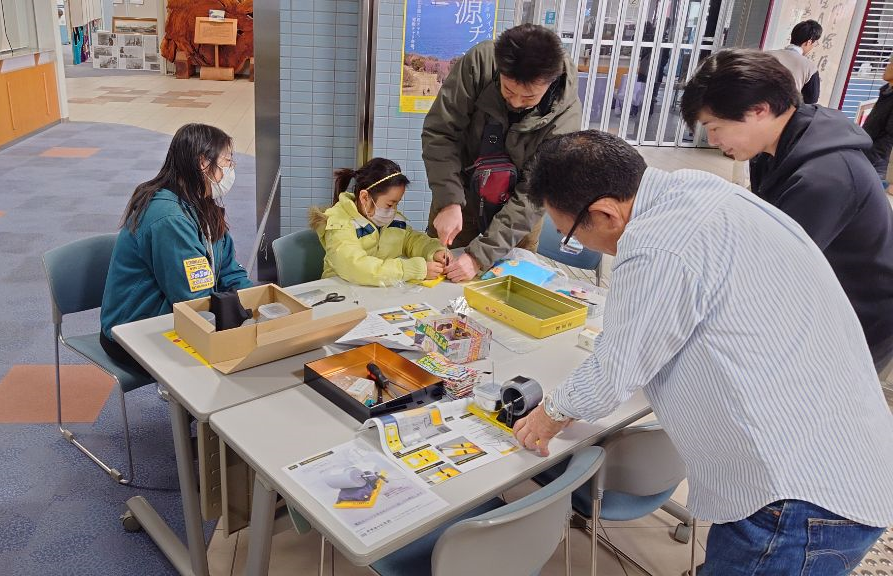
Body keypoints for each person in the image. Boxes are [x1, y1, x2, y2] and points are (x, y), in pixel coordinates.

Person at [512, 130, 893, 575]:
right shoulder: (698, 191)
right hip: (838, 459)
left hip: (796, 501)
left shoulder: (658, 244)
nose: (574, 243)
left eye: (570, 235)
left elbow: (612, 374)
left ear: (605, 213)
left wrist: (548, 415)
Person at [680, 48, 893, 375]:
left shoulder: (825, 177)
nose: (712, 139)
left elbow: (769, 273)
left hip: (855, 323)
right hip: (818, 304)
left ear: (759, 110)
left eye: (715, 126)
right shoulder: (777, 147)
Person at [422, 23, 580, 283]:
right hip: (461, 198)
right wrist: (449, 200)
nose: (516, 102)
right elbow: (441, 133)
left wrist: (479, 256)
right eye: (508, 91)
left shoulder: (565, 117)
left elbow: (534, 193)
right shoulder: (480, 63)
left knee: (504, 293)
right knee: (441, 278)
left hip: (518, 215)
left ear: (550, 82)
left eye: (529, 97)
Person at [100, 123, 253, 369]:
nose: (230, 169)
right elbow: (191, 298)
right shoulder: (169, 218)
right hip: (135, 331)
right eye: (226, 162)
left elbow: (228, 268)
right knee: (236, 359)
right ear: (203, 163)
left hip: (173, 316)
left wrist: (254, 304)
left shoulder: (203, 202)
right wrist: (239, 318)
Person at [309, 158, 447, 287]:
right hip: (342, 292)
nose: (393, 210)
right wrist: (411, 269)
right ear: (364, 197)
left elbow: (411, 240)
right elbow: (356, 267)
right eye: (389, 204)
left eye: (396, 204)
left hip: (380, 292)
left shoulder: (393, 220)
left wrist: (434, 251)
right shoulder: (339, 223)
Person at [768, 19, 822, 104]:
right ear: (809, 42)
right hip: (782, 112)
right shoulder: (810, 68)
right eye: (813, 44)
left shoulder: (766, 55)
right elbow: (811, 100)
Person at [862, 57, 893, 188]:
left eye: (891, 63)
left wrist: (867, 158)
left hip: (875, 163)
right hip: (865, 152)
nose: (887, 66)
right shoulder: (886, 91)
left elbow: (889, 137)